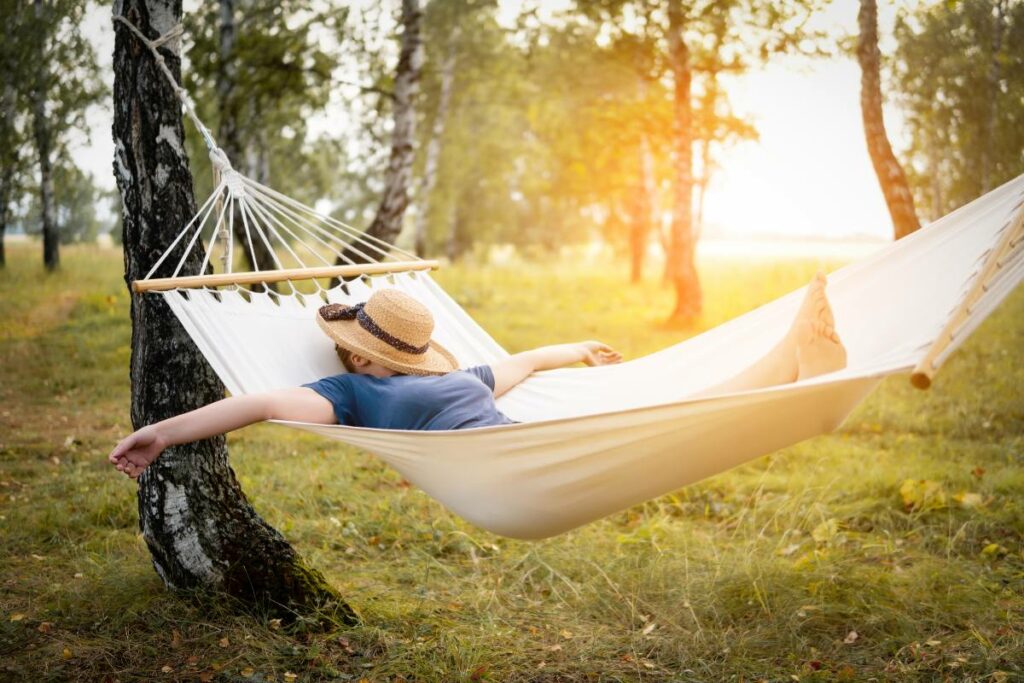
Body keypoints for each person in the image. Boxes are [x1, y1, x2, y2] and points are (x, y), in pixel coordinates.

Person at [109, 273, 845, 480]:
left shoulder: (463, 375)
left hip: (536, 439)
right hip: (516, 472)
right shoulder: (349, 395)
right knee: (679, 410)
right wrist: (159, 434)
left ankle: (801, 371)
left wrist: (575, 349)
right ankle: (800, 372)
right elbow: (261, 400)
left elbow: (517, 364)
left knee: (669, 401)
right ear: (360, 358)